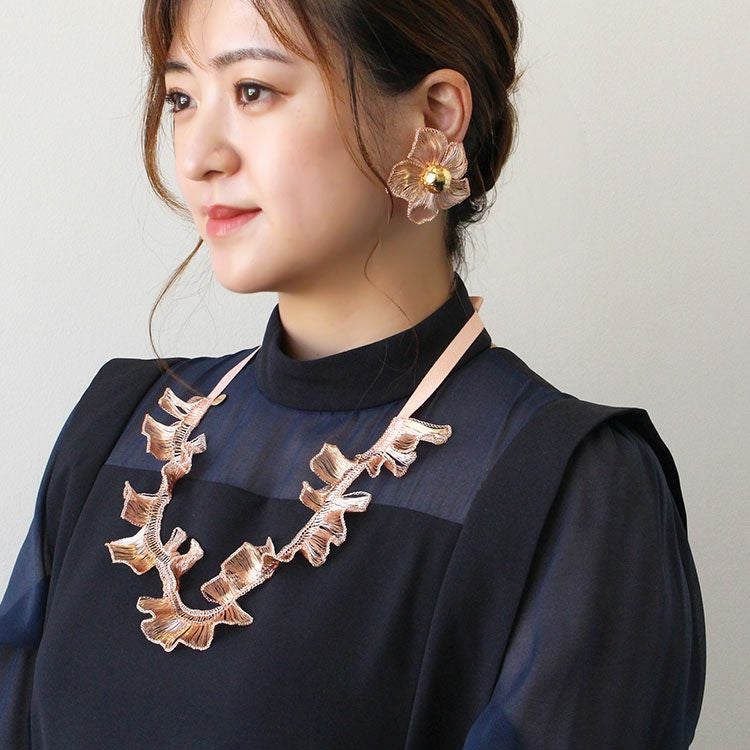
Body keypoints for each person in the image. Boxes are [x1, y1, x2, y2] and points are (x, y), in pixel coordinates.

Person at [0, 0, 706, 747]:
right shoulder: (117, 429)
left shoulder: (573, 492)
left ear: (435, 117)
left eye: (253, 91)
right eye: (181, 98)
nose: (199, 156)